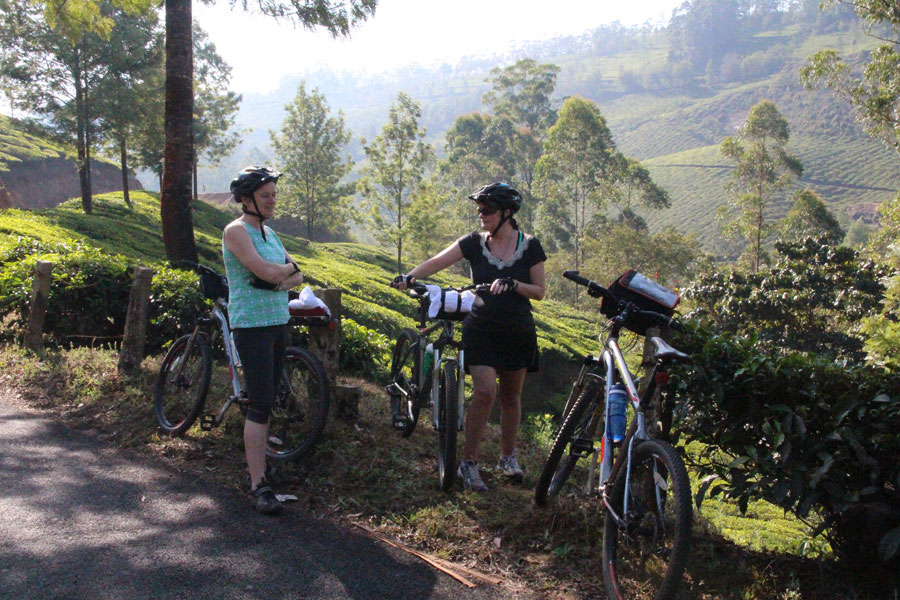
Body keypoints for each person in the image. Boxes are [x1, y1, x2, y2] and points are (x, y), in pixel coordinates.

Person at [391, 182, 546, 492]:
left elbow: (540, 292)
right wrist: (410, 277)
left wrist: (515, 284)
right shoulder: (474, 243)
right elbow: (438, 261)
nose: (481, 214)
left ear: (507, 212)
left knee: (511, 397)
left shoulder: (530, 246)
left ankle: (507, 457)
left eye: (487, 209)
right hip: (481, 327)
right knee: (486, 392)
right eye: (479, 209)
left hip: (518, 331)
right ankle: (468, 462)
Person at [223, 165, 304, 514]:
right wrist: (278, 276)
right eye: (266, 195)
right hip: (252, 326)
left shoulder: (271, 235)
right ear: (246, 199)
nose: (273, 201)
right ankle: (258, 484)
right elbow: (271, 271)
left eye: (274, 195)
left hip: (277, 322)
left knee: (268, 400)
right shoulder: (236, 231)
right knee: (260, 402)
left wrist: (277, 278)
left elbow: (297, 275)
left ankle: (263, 468)